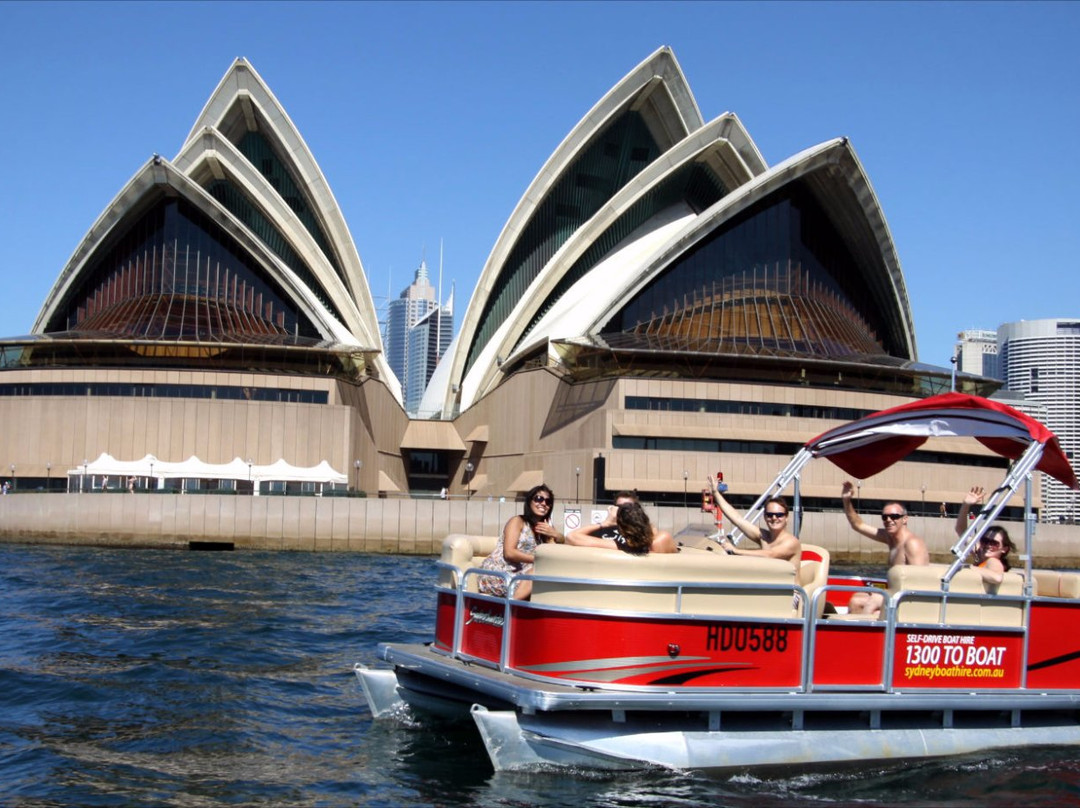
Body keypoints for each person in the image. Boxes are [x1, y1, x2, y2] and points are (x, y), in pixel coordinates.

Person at [841, 481, 929, 615]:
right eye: (885, 517)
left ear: (905, 519)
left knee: (872, 604)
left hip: (907, 600)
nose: (888, 520)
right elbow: (858, 525)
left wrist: (883, 596)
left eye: (894, 516)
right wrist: (846, 501)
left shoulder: (912, 543)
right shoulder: (889, 538)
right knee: (856, 601)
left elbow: (920, 583)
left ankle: (867, 635)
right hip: (894, 594)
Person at [478, 484, 563, 599]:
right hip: (500, 572)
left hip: (523, 574)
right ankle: (510, 610)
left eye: (548, 501)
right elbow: (509, 553)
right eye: (539, 499)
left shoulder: (545, 529)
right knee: (537, 573)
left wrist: (556, 534)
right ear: (529, 502)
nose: (543, 503)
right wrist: (539, 560)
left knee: (549, 574)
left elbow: (557, 551)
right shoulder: (517, 521)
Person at [707, 476, 800, 568]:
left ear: (786, 517)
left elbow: (770, 555)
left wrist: (736, 551)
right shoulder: (764, 537)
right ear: (764, 516)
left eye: (779, 515)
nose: (774, 518)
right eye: (770, 514)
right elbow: (737, 519)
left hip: (789, 583)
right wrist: (716, 494)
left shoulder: (792, 542)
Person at [566, 499, 676, 554]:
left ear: (622, 530)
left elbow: (572, 536)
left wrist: (606, 523)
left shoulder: (620, 547)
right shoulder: (662, 539)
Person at [955, 486, 1015, 585]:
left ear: (1004, 549)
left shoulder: (993, 561)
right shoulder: (979, 553)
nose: (988, 545)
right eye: (985, 541)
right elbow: (961, 530)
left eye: (994, 543)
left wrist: (969, 568)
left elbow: (997, 578)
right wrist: (966, 505)